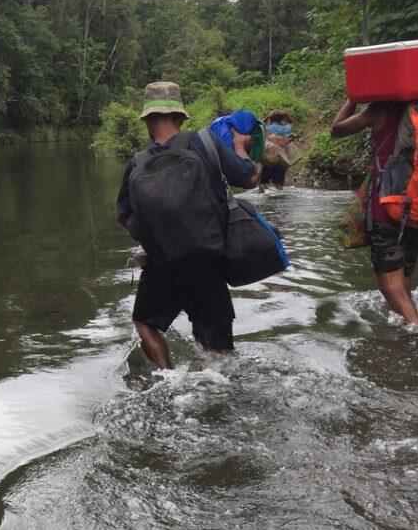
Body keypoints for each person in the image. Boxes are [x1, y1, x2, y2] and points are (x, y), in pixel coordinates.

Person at [116, 82, 261, 368]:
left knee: (144, 323)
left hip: (163, 265)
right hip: (209, 261)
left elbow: (123, 215)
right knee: (215, 348)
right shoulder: (206, 143)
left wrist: (153, 236)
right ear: (181, 118)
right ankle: (214, 378)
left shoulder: (137, 163)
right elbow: (250, 179)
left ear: (147, 121)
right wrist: (241, 148)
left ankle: (168, 378)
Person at [330, 99, 418, 326]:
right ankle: (409, 326)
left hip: (388, 207)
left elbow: (337, 129)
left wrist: (352, 98)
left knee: (390, 285)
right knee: (402, 278)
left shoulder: (379, 109)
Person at [259, 109, 294, 192]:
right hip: (281, 158)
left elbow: (261, 124)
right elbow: (291, 122)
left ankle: (264, 192)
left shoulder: (266, 129)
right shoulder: (286, 129)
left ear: (270, 119)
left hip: (269, 158)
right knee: (279, 185)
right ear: (282, 119)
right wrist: (286, 115)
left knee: (262, 182)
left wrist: (267, 117)